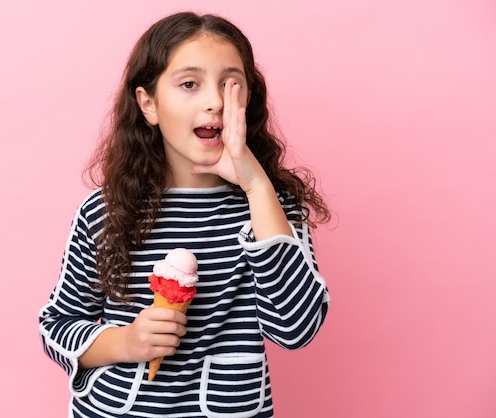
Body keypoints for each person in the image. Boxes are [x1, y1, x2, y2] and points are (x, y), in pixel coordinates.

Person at [39, 11, 331, 418]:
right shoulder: (103, 211)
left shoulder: (273, 207)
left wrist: (258, 187)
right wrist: (125, 342)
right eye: (190, 84)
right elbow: (57, 324)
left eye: (231, 85)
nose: (214, 101)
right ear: (149, 104)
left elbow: (296, 329)